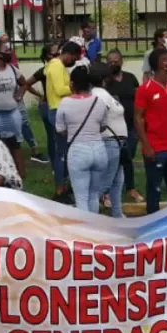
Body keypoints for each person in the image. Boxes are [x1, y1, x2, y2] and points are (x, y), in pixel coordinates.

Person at [135, 48, 167, 214]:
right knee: (154, 190)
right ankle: (152, 225)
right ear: (161, 64)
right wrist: (146, 146)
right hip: (155, 149)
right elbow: (138, 118)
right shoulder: (145, 89)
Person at [56, 66, 109, 213]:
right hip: (99, 150)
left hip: (78, 151)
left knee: (81, 197)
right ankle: (95, 228)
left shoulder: (65, 103)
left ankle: (85, 232)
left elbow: (60, 130)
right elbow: (103, 126)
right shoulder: (99, 102)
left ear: (72, 84)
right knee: (93, 195)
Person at [104, 49, 144, 203]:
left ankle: (130, 189)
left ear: (122, 61)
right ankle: (107, 192)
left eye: (116, 61)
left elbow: (138, 97)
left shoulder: (130, 78)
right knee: (113, 160)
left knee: (128, 158)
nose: (113, 64)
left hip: (131, 125)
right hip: (113, 128)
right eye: (110, 62)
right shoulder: (106, 81)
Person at [0, 35, 28, 178]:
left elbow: (24, 83)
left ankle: (20, 175)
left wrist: (20, 95)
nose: (9, 51)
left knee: (15, 143)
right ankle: (1, 174)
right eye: (6, 49)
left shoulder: (12, 69)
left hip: (12, 112)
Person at [46, 41, 82, 202]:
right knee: (61, 154)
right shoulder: (56, 66)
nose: (74, 61)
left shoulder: (58, 66)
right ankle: (60, 189)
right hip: (57, 111)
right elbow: (61, 90)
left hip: (61, 111)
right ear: (67, 54)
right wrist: (76, 87)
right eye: (74, 57)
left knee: (65, 152)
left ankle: (64, 187)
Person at [91, 63, 127, 216]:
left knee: (117, 182)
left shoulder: (102, 93)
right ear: (105, 78)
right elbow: (97, 114)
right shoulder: (100, 94)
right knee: (106, 182)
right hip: (110, 142)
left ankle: (118, 214)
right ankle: (86, 215)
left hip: (116, 143)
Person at [21, 43, 60, 168]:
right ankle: (56, 165)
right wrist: (40, 95)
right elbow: (26, 83)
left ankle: (58, 164)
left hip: (54, 105)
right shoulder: (44, 70)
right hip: (48, 106)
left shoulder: (59, 68)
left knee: (55, 137)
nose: (58, 55)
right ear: (48, 55)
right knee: (53, 137)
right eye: (55, 53)